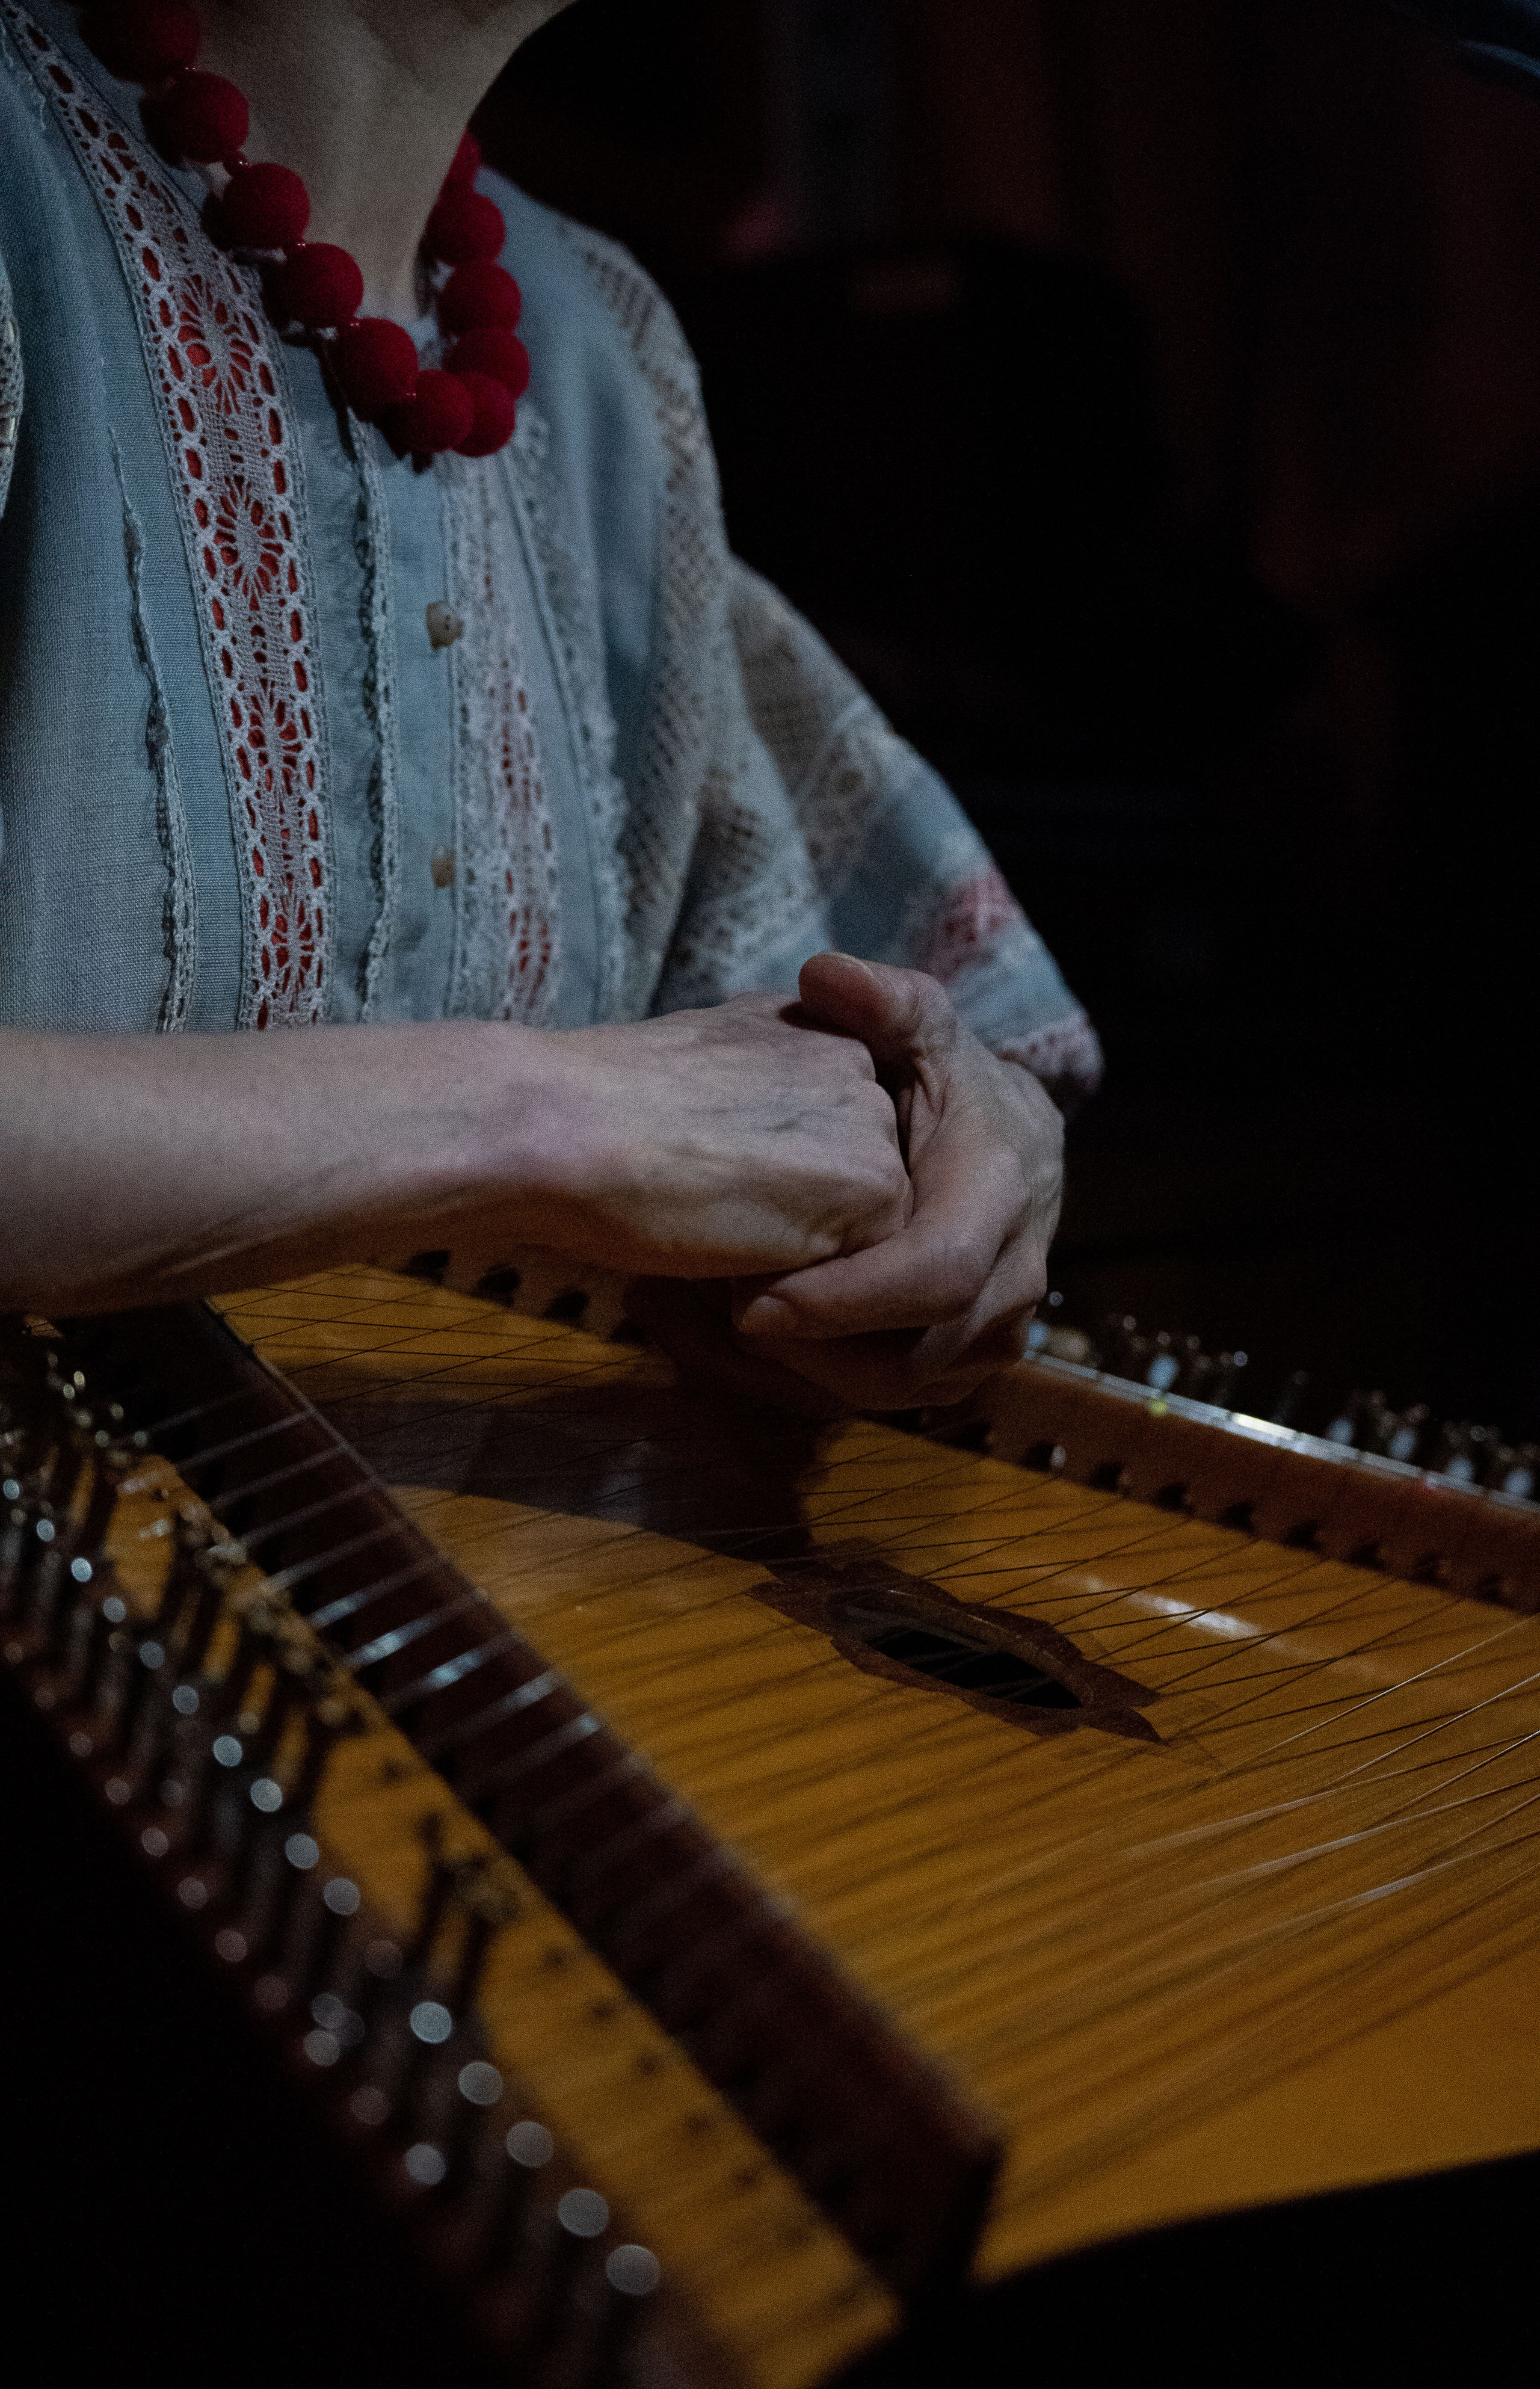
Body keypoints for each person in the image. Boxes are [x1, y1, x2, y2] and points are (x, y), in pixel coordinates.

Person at [0, 0, 1100, 1413]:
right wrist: (536, 1114)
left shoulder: (592, 344)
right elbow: (625, 1117)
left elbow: (822, 1021)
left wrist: (950, 1129)